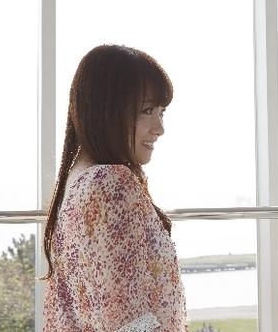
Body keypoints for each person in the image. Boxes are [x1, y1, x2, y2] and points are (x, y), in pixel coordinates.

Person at [41, 44, 187, 331]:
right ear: (107, 110)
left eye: (161, 112)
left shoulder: (77, 181)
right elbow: (129, 324)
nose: (159, 128)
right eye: (147, 110)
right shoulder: (109, 184)